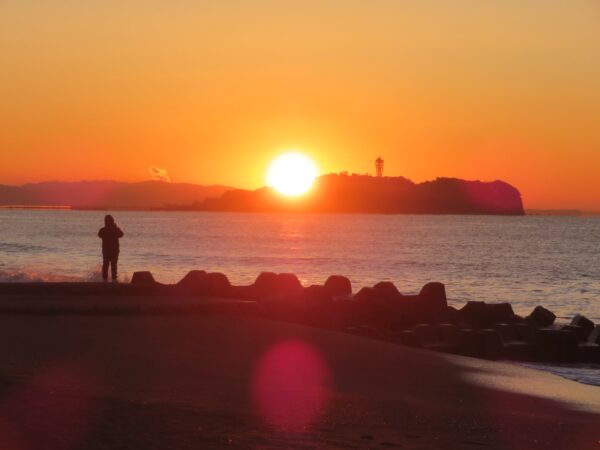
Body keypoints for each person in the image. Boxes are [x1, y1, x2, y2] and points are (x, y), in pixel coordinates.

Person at [98, 215, 124, 282]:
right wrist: (114, 228)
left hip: (111, 251)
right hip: (110, 251)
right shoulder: (106, 230)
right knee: (110, 265)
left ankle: (108, 280)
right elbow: (100, 235)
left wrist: (114, 228)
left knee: (109, 265)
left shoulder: (105, 230)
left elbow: (121, 234)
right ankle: (110, 280)